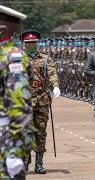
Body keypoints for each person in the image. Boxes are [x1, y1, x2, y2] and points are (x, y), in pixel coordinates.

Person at [0, 5, 36, 180]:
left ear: (2, 28)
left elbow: (18, 103)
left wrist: (15, 150)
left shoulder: (13, 57)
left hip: (6, 139)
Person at [21, 30, 60, 174]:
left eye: (33, 42)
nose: (31, 44)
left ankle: (39, 163)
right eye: (28, 43)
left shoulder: (45, 58)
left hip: (42, 99)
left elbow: (52, 73)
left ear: (37, 43)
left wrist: (55, 86)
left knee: (41, 132)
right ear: (24, 44)